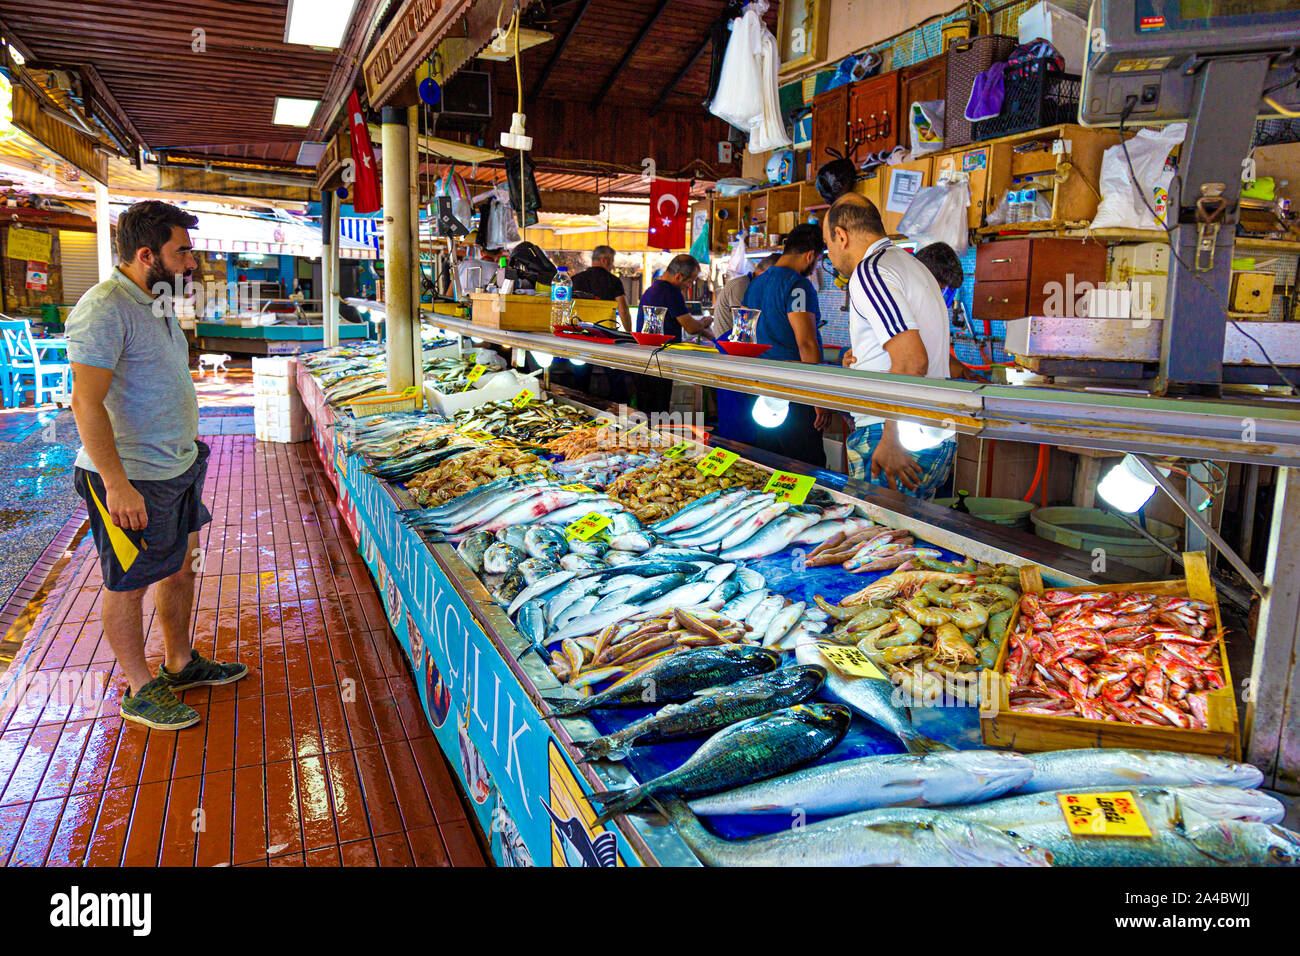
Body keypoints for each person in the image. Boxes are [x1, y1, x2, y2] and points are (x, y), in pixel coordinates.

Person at [67, 200, 248, 731]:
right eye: (182, 252)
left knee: (181, 565)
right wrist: (117, 484)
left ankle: (180, 661)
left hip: (177, 466)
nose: (191, 263)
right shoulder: (105, 308)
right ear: (147, 254)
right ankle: (139, 688)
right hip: (132, 476)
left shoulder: (158, 298)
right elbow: (86, 402)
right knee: (130, 581)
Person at [823, 193, 955, 498]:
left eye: (827, 245)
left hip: (894, 436)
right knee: (909, 540)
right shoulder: (911, 265)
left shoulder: (869, 272)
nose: (829, 255)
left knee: (878, 541)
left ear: (841, 236)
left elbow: (912, 361)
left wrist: (891, 435)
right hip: (932, 433)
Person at [727, 224, 830, 468]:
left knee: (769, 463)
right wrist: (820, 398)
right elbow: (806, 342)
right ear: (810, 255)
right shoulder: (797, 285)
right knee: (806, 468)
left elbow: (742, 335)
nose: (815, 268)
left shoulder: (756, 283)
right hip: (795, 391)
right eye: (817, 261)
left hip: (762, 386)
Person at [635, 254, 709, 412]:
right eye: (690, 281)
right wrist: (704, 323)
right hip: (659, 359)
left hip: (645, 359)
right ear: (678, 276)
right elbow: (690, 327)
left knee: (645, 411)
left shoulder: (653, 289)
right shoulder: (672, 292)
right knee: (657, 410)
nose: (690, 286)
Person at [713, 253, 779, 339]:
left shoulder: (753, 286)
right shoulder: (741, 285)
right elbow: (742, 322)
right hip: (728, 343)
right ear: (764, 272)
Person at [572, 244, 631, 330]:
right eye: (612, 262)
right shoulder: (614, 281)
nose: (612, 266)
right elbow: (623, 310)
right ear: (604, 260)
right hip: (604, 332)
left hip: (578, 329)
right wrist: (629, 332)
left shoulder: (575, 279)